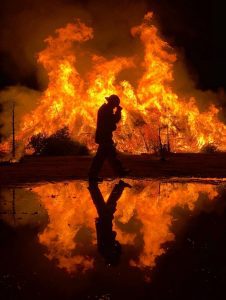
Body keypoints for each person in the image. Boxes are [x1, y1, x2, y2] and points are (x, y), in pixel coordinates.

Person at [88, 179, 132, 265]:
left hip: (104, 222)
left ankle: (93, 186)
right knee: (108, 202)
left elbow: (104, 236)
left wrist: (99, 224)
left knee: (104, 202)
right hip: (104, 222)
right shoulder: (105, 251)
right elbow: (112, 239)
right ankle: (119, 186)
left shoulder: (106, 251)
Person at [89, 94, 129, 182]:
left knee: (106, 157)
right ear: (112, 102)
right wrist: (118, 111)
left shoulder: (105, 109)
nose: (116, 106)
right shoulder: (106, 110)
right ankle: (120, 172)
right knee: (107, 156)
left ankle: (119, 172)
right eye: (116, 104)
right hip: (104, 137)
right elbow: (114, 120)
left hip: (104, 136)